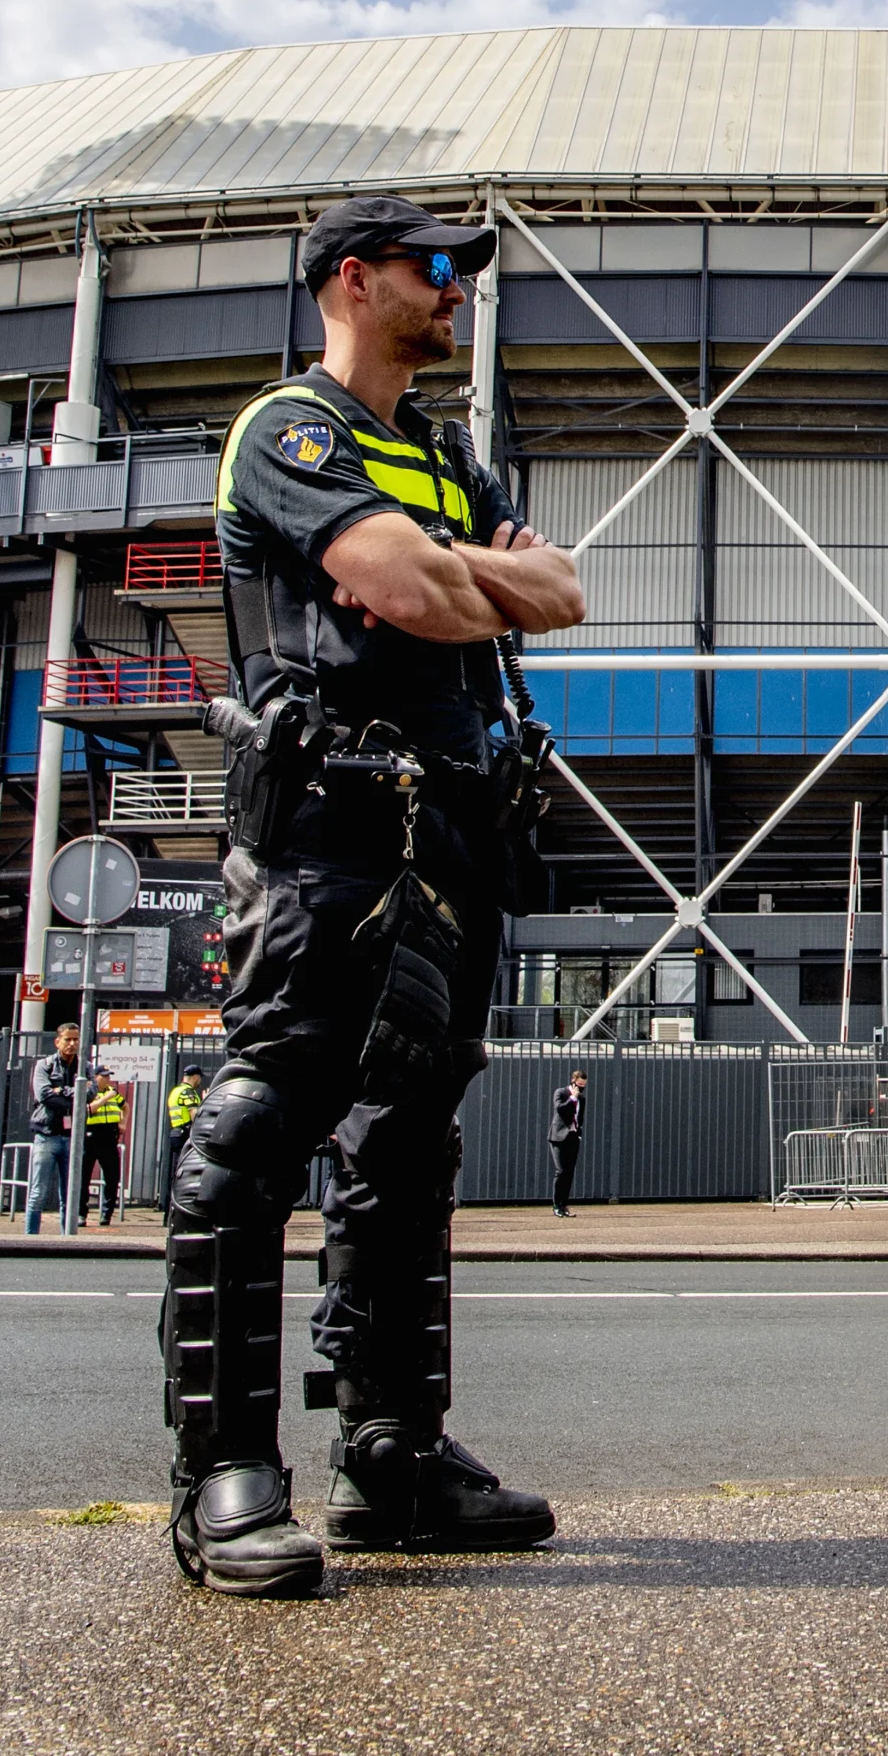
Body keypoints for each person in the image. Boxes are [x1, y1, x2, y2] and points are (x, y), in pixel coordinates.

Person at [163, 192, 588, 1597]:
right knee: (266, 1119)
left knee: (411, 1137)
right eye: (435, 267)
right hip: (333, 822)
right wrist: (458, 585)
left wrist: (443, 582)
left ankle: (394, 1456)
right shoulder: (294, 431)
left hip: (457, 827)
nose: (457, 286)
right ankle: (224, 1477)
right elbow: (409, 588)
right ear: (352, 279)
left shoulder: (443, 453)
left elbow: (558, 593)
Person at [24, 1022, 82, 1236]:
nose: (72, 1044)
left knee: (69, 1194)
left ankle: (69, 1239)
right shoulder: (44, 1065)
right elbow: (45, 1096)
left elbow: (92, 1092)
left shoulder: (84, 1066)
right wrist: (75, 1098)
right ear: (58, 1041)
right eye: (68, 1039)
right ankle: (30, 1238)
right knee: (38, 1192)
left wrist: (63, 1091)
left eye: (76, 1039)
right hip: (46, 1135)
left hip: (72, 1137)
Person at [82, 1067, 130, 1224]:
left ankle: (106, 1214)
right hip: (90, 1137)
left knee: (112, 1177)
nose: (108, 1079)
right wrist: (104, 1098)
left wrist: (123, 1123)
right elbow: (87, 1110)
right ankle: (81, 1213)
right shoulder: (88, 1091)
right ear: (96, 1077)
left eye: (109, 1076)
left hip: (109, 1138)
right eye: (104, 1077)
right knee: (83, 1177)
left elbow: (126, 1107)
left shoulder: (113, 1092)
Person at [549, 1070, 588, 1216]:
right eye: (579, 1084)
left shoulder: (582, 1099)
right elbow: (560, 1109)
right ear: (573, 1081)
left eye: (584, 1085)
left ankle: (564, 1204)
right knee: (561, 1170)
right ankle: (556, 1205)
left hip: (573, 1137)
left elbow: (580, 1117)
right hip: (558, 1136)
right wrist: (572, 1098)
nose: (582, 1087)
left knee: (569, 1172)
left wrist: (579, 1134)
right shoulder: (560, 1092)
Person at [164, 1063, 205, 1172]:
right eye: (199, 1078)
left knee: (178, 1166)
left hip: (176, 1133)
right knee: (187, 1167)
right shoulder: (188, 1092)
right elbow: (194, 1114)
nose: (199, 1081)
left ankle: (175, 1188)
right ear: (196, 1077)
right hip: (185, 1134)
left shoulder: (176, 1091)